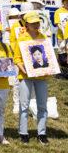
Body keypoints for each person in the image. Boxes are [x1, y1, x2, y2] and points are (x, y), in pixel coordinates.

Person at [13, 11, 50, 145]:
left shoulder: (43, 37)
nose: (36, 25)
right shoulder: (22, 38)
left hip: (41, 76)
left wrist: (48, 68)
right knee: (24, 105)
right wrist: (26, 72)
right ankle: (23, 132)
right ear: (27, 24)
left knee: (42, 105)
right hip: (25, 76)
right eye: (33, 23)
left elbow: (48, 57)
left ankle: (42, 133)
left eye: (37, 22)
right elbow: (16, 58)